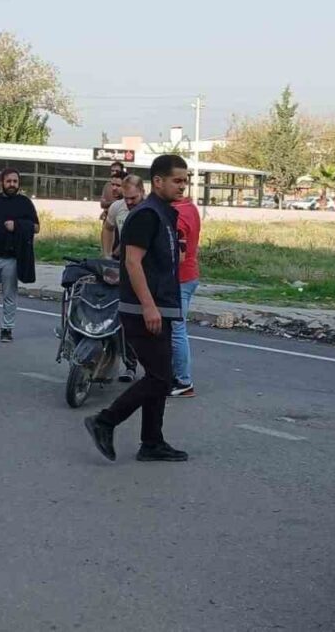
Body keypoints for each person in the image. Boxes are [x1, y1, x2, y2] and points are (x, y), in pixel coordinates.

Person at [84, 154, 191, 463]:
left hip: (163, 307)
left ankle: (152, 442)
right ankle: (105, 421)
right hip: (143, 309)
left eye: (185, 180)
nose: (182, 186)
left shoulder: (164, 213)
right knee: (160, 378)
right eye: (177, 180)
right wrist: (148, 307)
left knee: (161, 376)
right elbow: (132, 261)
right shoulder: (146, 214)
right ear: (158, 181)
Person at [0, 168, 39, 343]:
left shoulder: (25, 203)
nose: (12, 184)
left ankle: (7, 328)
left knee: (9, 294)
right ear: (2, 183)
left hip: (11, 257)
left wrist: (17, 225)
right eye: (9, 181)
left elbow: (36, 227)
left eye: (15, 181)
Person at [104, 174, 146, 382]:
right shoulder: (117, 208)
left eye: (134, 199)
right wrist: (106, 254)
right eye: (126, 198)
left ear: (142, 193)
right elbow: (108, 228)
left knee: (138, 322)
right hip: (123, 268)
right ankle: (116, 361)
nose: (129, 203)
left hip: (143, 272)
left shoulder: (148, 212)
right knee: (120, 316)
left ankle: (136, 365)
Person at [170, 194, 201, 397]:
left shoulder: (178, 215)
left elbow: (178, 255)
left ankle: (183, 381)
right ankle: (176, 376)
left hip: (179, 279)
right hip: (190, 276)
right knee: (175, 328)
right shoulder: (190, 207)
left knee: (176, 329)